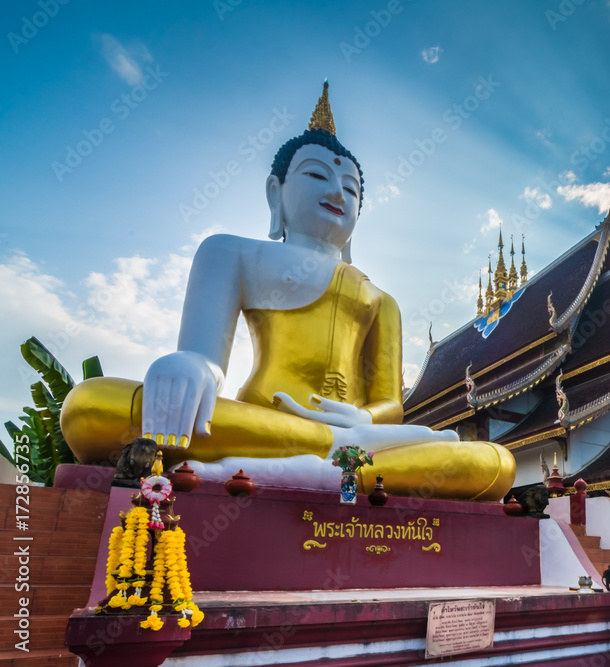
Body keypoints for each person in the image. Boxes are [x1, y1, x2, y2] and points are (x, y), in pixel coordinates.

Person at [61, 82, 515, 502]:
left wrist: (364, 420)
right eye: (317, 175)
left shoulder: (381, 300)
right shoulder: (230, 252)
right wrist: (192, 366)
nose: (337, 191)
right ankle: (344, 464)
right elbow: (206, 359)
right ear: (275, 193)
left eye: (351, 188)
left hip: (359, 436)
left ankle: (327, 462)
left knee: (493, 463)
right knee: (91, 407)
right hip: (262, 422)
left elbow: (390, 406)